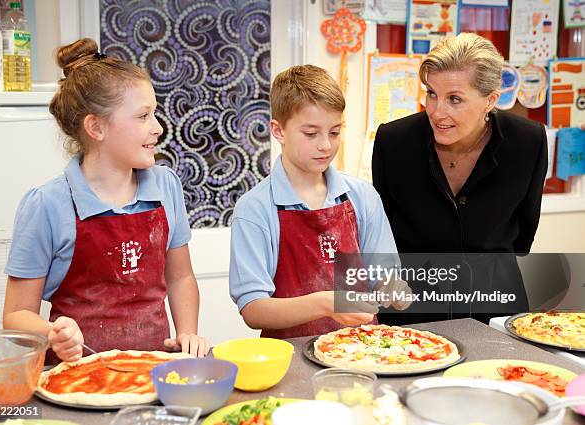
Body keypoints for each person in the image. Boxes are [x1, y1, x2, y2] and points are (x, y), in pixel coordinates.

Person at [2, 38, 209, 364]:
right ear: (96, 127)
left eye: (154, 113)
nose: (157, 127)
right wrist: (53, 332)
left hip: (153, 370)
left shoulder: (166, 187)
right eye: (143, 116)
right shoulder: (48, 205)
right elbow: (15, 314)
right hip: (78, 375)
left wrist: (187, 333)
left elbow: (180, 277)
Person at [372, 33, 548, 325]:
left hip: (496, 308)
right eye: (431, 94)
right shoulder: (394, 141)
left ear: (490, 100)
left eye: (455, 99)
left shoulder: (527, 141)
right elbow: (382, 234)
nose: (438, 112)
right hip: (412, 310)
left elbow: (524, 232)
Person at [229, 65, 409, 339]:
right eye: (311, 134)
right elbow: (253, 310)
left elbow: (383, 276)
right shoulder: (255, 209)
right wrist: (325, 304)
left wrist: (393, 288)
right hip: (289, 360)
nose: (325, 145)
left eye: (334, 132)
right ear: (278, 131)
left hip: (363, 350)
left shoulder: (362, 197)